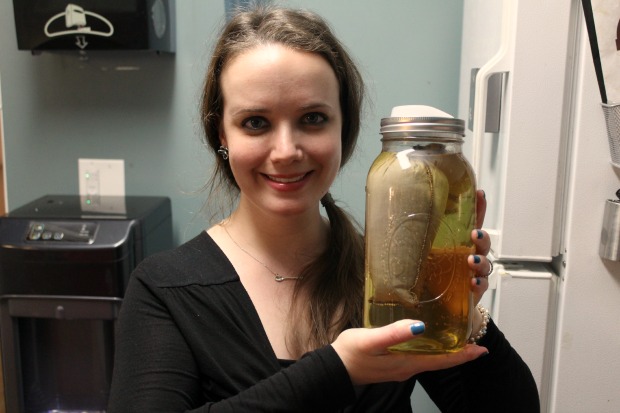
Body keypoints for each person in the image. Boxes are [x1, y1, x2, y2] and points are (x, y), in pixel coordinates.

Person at [108, 5, 539, 412]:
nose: (286, 151)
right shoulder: (164, 289)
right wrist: (337, 371)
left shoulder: (389, 279)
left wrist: (462, 315)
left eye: (312, 118)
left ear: (343, 128)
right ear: (221, 134)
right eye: (255, 122)